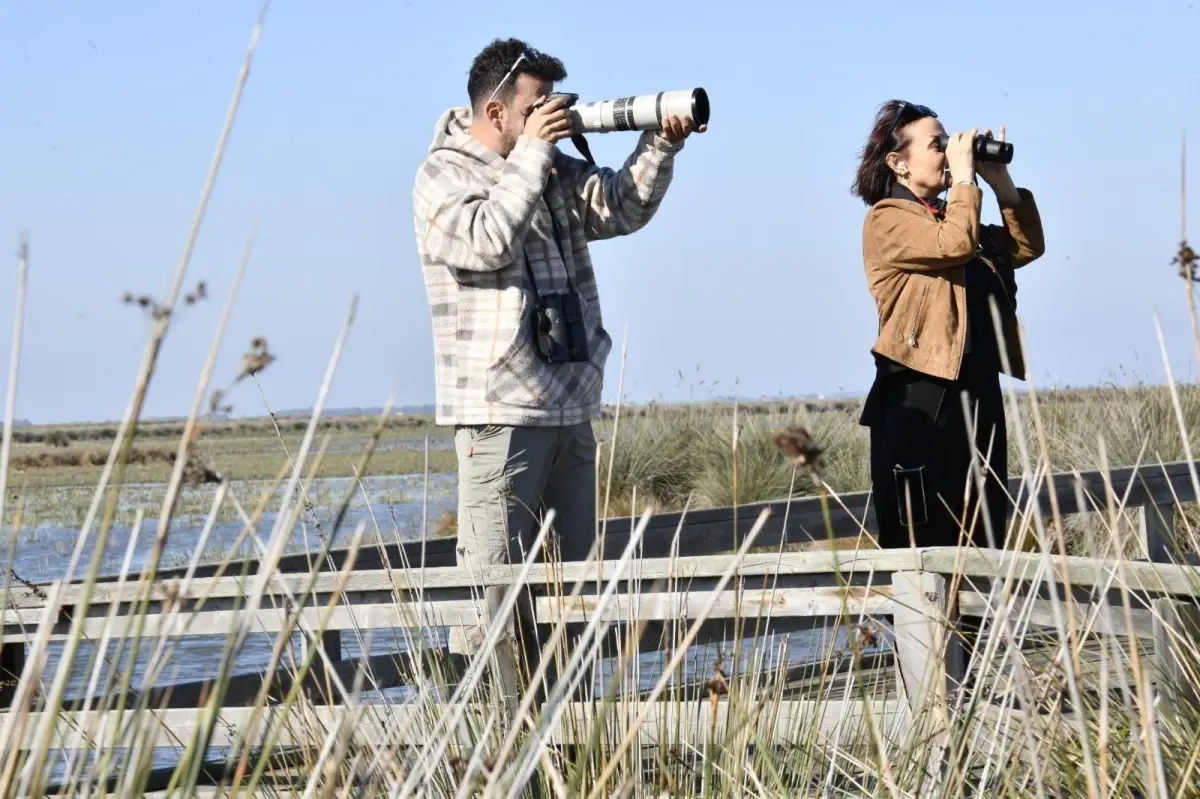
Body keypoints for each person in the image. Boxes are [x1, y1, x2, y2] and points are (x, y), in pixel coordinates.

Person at [411, 38, 704, 700]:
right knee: (495, 602)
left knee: (569, 601)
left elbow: (621, 207)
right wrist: (538, 155)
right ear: (495, 110)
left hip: (569, 404)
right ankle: (493, 747)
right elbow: (486, 241)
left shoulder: (543, 166)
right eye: (537, 105)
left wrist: (662, 143)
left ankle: (569, 748)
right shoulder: (442, 176)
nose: (553, 116)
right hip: (499, 413)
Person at [851, 100, 1045, 552]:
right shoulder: (887, 219)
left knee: (985, 530)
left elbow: (1026, 246)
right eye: (937, 144)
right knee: (926, 537)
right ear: (898, 163)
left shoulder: (956, 213)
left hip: (978, 389)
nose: (947, 152)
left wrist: (1000, 183)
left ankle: (981, 625)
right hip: (920, 392)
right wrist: (964, 180)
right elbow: (953, 243)